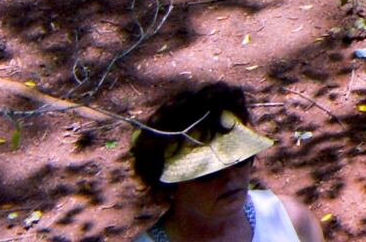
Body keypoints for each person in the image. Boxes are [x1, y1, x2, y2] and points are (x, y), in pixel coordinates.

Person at [128, 83, 326, 242]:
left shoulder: (290, 219)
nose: (230, 178)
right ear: (169, 186)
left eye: (240, 160)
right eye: (209, 173)